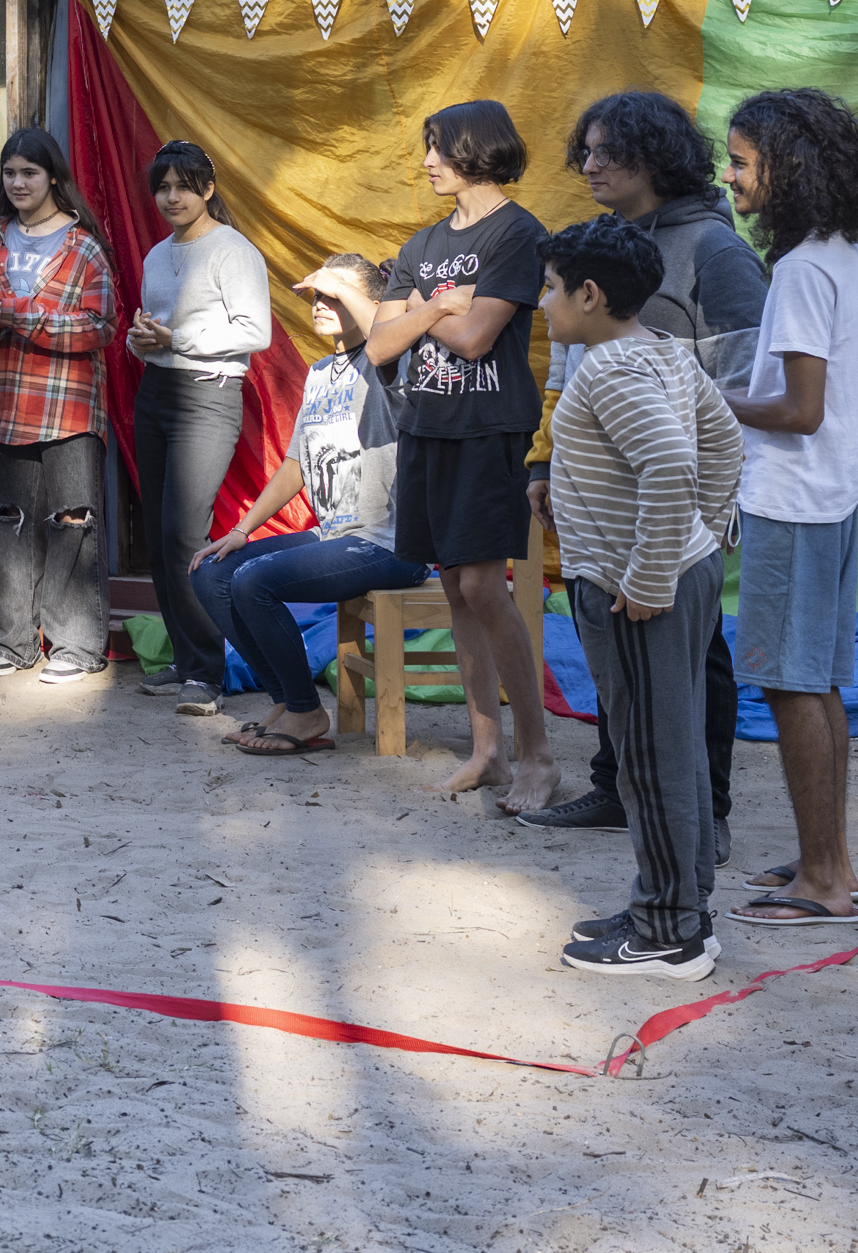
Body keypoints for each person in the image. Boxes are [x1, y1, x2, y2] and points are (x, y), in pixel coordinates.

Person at [519, 89, 768, 846]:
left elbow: (751, 381)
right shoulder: (598, 244)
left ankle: (706, 814)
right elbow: (564, 366)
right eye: (584, 151)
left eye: (604, 151)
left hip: (675, 501)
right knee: (615, 647)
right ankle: (618, 788)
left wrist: (705, 507)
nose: (588, 165)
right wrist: (544, 462)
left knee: (697, 653)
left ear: (653, 155)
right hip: (599, 502)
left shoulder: (716, 252)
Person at [717, 88, 858, 930]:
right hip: (829, 496)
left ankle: (825, 880)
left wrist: (711, 397)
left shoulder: (798, 270)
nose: (729, 177)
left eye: (741, 161)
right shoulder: (839, 254)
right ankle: (830, 858)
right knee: (820, 683)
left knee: (791, 687)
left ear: (786, 168)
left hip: (792, 498)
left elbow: (798, 409)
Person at [537, 214, 741, 979]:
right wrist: (707, 531)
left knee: (649, 759)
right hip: (678, 575)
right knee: (675, 746)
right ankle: (678, 904)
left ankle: (667, 933)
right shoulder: (659, 352)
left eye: (552, 288)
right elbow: (722, 440)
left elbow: (666, 460)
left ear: (590, 295)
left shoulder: (608, 370)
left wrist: (653, 576)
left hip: (638, 595)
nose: (543, 301)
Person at [364, 99, 560, 813]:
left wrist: (426, 310)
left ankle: (538, 755)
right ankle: (489, 752)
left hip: (488, 428)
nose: (427, 163)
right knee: (454, 590)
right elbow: (380, 346)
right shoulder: (420, 245)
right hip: (427, 427)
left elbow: (480, 340)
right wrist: (442, 306)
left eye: (438, 148)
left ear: (478, 149)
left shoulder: (519, 233)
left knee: (483, 586)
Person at [189, 253, 431, 754]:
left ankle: (304, 711)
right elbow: (296, 466)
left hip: (389, 545)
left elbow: (385, 339)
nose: (320, 304)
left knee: (254, 582)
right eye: (318, 295)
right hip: (334, 536)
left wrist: (353, 294)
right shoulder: (320, 373)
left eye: (333, 295)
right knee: (212, 572)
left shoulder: (393, 362)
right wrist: (241, 531)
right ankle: (288, 701)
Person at [0, 129, 120, 684]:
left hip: (68, 406)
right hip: (3, 402)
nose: (18, 182)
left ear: (53, 176)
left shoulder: (83, 248)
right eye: (9, 173)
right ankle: (13, 640)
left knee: (74, 520)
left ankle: (76, 644)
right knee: (7, 521)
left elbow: (102, 327)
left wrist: (27, 318)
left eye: (29, 172)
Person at [127, 140, 272, 713]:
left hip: (208, 396)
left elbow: (254, 331)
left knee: (187, 533)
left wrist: (177, 340)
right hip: (156, 392)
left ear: (208, 190)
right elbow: (158, 333)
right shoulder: (156, 256)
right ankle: (184, 662)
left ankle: (207, 674)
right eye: (162, 187)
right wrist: (145, 340)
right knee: (160, 539)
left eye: (183, 186)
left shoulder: (233, 250)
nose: (171, 197)